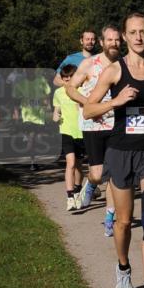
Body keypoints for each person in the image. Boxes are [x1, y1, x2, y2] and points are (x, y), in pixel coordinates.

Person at [83, 12, 144, 288]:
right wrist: (115, 101)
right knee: (123, 222)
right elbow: (88, 110)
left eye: (143, 32)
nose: (138, 37)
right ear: (124, 36)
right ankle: (123, 268)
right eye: (133, 32)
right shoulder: (114, 71)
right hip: (121, 150)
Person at [63, 24, 121, 231]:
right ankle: (91, 183)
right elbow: (70, 88)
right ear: (102, 42)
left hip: (117, 124)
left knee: (114, 173)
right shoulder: (89, 64)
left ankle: (110, 217)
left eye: (117, 40)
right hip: (93, 124)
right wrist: (87, 102)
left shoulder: (124, 64)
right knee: (98, 174)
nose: (114, 43)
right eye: (110, 40)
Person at [52, 64, 84, 211]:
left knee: (78, 165)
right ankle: (70, 197)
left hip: (81, 132)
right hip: (66, 131)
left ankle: (77, 190)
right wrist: (55, 116)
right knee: (70, 163)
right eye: (65, 78)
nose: (67, 80)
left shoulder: (82, 91)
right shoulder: (58, 93)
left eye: (70, 77)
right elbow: (56, 111)